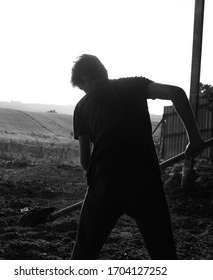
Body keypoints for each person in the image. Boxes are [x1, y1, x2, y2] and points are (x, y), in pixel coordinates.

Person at [70, 54, 203, 260]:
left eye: (82, 87)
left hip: (106, 182)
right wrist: (193, 138)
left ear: (85, 79)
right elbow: (176, 93)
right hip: (146, 180)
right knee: (164, 255)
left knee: (84, 253)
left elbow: (85, 161)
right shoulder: (135, 85)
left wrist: (96, 188)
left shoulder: (82, 107)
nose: (84, 92)